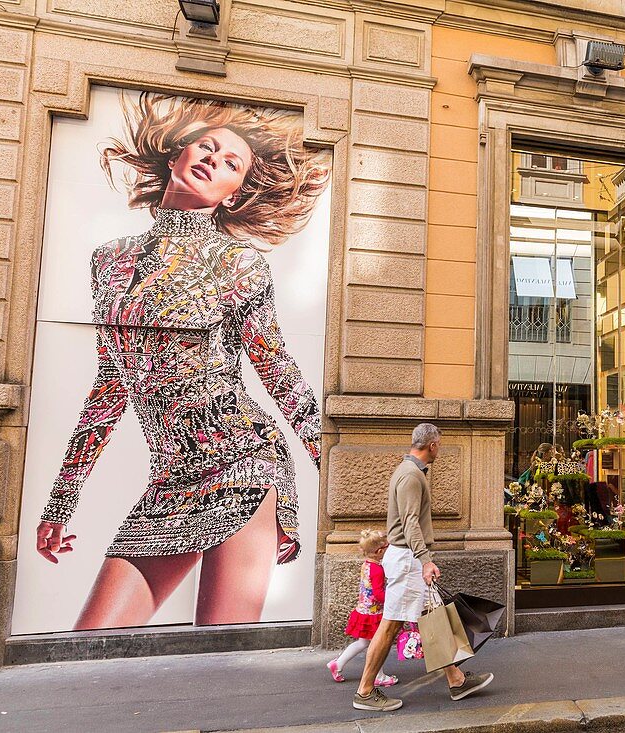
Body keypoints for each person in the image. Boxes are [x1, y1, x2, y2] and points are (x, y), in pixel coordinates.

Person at [34, 92, 328, 628]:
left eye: (231, 162)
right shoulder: (109, 261)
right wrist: (60, 502)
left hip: (242, 465)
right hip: (168, 480)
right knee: (88, 646)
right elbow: (109, 387)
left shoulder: (239, 263)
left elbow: (278, 373)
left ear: (234, 194)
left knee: (221, 654)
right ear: (176, 157)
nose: (215, 158)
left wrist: (335, 465)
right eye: (207, 147)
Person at [353, 423, 494, 712]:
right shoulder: (410, 476)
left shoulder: (411, 473)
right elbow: (409, 523)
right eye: (438, 444)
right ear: (432, 445)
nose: (439, 449)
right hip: (408, 559)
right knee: (391, 625)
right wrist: (425, 560)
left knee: (434, 619)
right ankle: (365, 691)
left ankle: (456, 680)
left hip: (409, 558)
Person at [327, 529, 398, 686]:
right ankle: (378, 676)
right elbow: (379, 594)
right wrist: (393, 599)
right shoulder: (378, 570)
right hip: (374, 613)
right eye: (387, 547)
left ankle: (337, 664)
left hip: (363, 610)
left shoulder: (367, 565)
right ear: (380, 551)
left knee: (363, 643)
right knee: (377, 645)